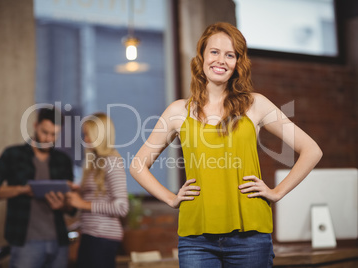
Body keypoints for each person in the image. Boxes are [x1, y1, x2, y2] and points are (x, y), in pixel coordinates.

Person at [130, 22, 322, 267]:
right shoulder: (178, 111)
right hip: (196, 239)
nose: (221, 60)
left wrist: (277, 192)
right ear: (201, 57)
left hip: (250, 238)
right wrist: (170, 198)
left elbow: (312, 150)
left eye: (230, 55)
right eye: (214, 52)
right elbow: (137, 165)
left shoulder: (256, 104)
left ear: (237, 63)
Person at [0, 107, 77, 268]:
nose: (48, 139)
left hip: (59, 242)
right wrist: (22, 190)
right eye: (45, 132)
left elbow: (71, 209)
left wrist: (63, 205)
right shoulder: (13, 154)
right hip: (26, 242)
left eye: (54, 135)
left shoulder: (63, 160)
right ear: (35, 126)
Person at [65, 112, 129, 268]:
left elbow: (122, 207)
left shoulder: (112, 161)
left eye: (88, 134)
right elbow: (96, 198)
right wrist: (77, 191)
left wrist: (83, 204)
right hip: (89, 235)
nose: (85, 139)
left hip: (103, 238)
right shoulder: (93, 163)